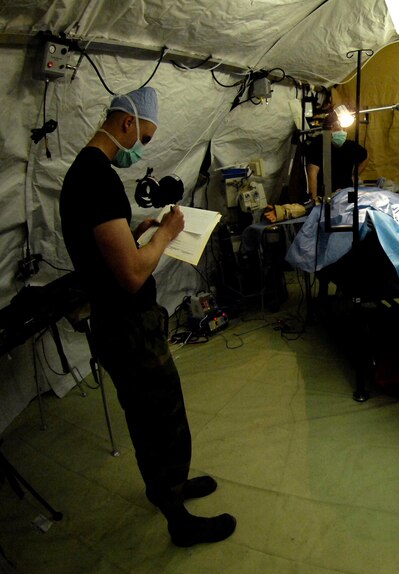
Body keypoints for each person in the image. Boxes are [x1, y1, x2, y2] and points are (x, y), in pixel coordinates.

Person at [59, 86, 236, 547]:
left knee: (148, 415)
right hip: (128, 326)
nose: (143, 148)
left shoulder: (84, 172)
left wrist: (139, 233)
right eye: (145, 138)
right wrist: (168, 234)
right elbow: (134, 273)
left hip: (118, 321)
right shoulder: (96, 179)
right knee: (161, 418)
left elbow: (109, 251)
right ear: (126, 124)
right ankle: (179, 519)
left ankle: (168, 488)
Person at [304, 117, 369, 205]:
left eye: (342, 129)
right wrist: (314, 201)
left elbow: (365, 156)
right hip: (326, 196)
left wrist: (354, 176)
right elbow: (312, 173)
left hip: (348, 193)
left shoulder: (350, 145)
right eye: (337, 128)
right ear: (329, 128)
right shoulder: (318, 144)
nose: (341, 131)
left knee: (350, 214)